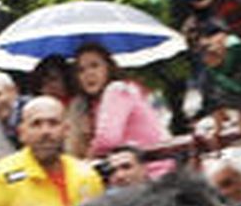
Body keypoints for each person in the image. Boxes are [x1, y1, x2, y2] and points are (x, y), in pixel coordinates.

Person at [67, 42, 173, 174]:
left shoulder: (117, 90)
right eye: (81, 70)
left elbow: (107, 140)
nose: (89, 74)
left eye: (94, 66)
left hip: (152, 171)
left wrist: (87, 160)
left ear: (108, 68)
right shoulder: (94, 104)